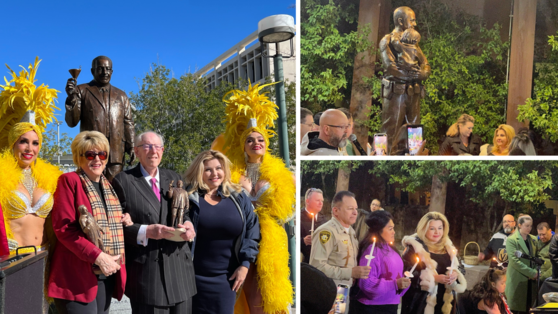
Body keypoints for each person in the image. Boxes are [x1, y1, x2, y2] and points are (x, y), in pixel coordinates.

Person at [221, 82, 296, 314]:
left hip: (270, 237)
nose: (256, 143)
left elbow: (288, 211)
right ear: (243, 145)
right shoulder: (230, 173)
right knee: (245, 289)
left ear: (266, 145)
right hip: (240, 236)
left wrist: (267, 210)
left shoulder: (282, 174)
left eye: (260, 140)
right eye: (250, 140)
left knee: (271, 291)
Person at [111, 131, 197, 313]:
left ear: (163, 150)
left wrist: (188, 225)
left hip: (179, 271)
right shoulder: (124, 181)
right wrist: (145, 231)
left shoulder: (174, 177)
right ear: (136, 151)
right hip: (148, 276)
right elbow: (114, 226)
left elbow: (185, 213)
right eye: (147, 146)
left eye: (157, 147)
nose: (153, 151)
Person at [48, 131, 129, 313]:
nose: (97, 160)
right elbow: (64, 228)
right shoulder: (69, 181)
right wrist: (98, 256)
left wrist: (124, 217)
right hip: (75, 277)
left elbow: (109, 222)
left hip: (104, 275)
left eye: (102, 154)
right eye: (90, 155)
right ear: (79, 157)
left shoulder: (108, 187)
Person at [183, 150, 260, 314]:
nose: (214, 173)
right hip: (192, 279)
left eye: (219, 168)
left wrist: (245, 265)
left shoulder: (239, 197)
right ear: (199, 172)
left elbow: (252, 232)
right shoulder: (188, 198)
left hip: (227, 279)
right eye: (208, 169)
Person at [0, 58, 62, 257]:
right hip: (12, 259)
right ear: (12, 143)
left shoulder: (51, 178)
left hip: (45, 257)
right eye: (23, 141)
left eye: (35, 143)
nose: (29, 148)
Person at [65, 56, 135, 181]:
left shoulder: (121, 95)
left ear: (112, 72)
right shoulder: (81, 91)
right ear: (92, 71)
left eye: (108, 69)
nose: (104, 72)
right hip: (92, 154)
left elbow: (128, 123)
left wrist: (132, 146)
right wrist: (71, 98)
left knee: (115, 192)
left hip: (115, 155)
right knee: (91, 191)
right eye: (100, 69)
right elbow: (72, 122)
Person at [379, 6, 430, 153]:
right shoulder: (387, 40)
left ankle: (414, 156)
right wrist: (410, 75)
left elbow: (425, 64)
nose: (414, 24)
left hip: (413, 92)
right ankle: (382, 157)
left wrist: (422, 74)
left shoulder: (413, 42)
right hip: (396, 92)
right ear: (401, 21)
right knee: (390, 128)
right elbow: (390, 67)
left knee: (414, 130)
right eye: (411, 20)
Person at [309, 191, 371, 313]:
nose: (355, 212)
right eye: (350, 209)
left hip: (344, 289)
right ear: (336, 211)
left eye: (356, 209)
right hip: (330, 290)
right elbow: (317, 267)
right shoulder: (327, 232)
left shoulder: (351, 232)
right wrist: (351, 272)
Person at [401, 212, 467, 314]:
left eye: (440, 228)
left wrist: (455, 274)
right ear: (424, 229)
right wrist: (434, 279)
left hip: (445, 301)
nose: (437, 232)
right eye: (432, 228)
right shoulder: (414, 247)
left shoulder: (448, 246)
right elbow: (406, 273)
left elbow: (461, 267)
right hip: (421, 302)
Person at [349, 211, 411, 314]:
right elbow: (366, 283)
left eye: (393, 228)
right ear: (378, 230)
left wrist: (404, 283)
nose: (394, 232)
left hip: (390, 305)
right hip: (373, 308)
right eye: (390, 229)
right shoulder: (371, 251)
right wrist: (395, 284)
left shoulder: (390, 248)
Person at [505, 215, 538, 314]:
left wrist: (536, 270)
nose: (529, 228)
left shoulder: (533, 239)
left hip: (531, 282)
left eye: (531, 226)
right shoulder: (512, 240)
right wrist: (531, 273)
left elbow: (537, 257)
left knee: (529, 307)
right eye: (527, 226)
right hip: (518, 279)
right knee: (516, 307)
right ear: (519, 225)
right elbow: (514, 261)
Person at [301, 188, 327, 263]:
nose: (321, 203)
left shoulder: (324, 220)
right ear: (307, 201)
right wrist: (303, 241)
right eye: (317, 200)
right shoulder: (299, 218)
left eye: (322, 201)